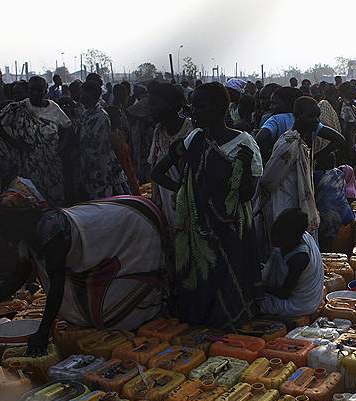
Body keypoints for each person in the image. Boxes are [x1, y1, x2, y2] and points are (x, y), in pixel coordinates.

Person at [0, 185, 167, 355]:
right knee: (96, 310)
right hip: (111, 229)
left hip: (131, 227)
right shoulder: (26, 236)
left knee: (118, 308)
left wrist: (42, 332)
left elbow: (57, 285)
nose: (2, 234)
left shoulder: (51, 230)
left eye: (3, 227)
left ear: (17, 220)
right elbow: (17, 278)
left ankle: (146, 313)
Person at [151, 82, 263, 328]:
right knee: (200, 283)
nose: (194, 112)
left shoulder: (244, 143)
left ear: (221, 109)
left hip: (232, 229)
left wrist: (242, 171)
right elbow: (157, 172)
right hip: (199, 230)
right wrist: (183, 191)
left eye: (200, 106)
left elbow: (247, 194)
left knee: (229, 284)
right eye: (193, 106)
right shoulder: (194, 138)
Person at [256, 97, 344, 257]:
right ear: (297, 116)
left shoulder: (302, 143)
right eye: (311, 116)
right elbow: (269, 179)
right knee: (288, 250)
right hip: (285, 203)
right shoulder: (288, 143)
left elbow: (339, 139)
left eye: (318, 116)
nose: (316, 121)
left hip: (300, 201)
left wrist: (315, 157)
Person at [0, 76, 70, 206]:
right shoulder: (17, 108)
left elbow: (67, 127)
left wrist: (62, 146)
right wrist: (16, 143)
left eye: (39, 90)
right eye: (32, 90)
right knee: (32, 197)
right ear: (28, 91)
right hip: (28, 164)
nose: (35, 93)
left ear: (45, 91)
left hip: (51, 163)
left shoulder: (53, 107)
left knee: (55, 197)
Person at [261, 208, 324, 317]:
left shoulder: (299, 258)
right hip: (294, 295)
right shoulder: (300, 236)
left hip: (299, 304)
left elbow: (284, 293)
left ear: (292, 237)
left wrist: (258, 287)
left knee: (254, 302)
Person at [147, 82, 192, 228]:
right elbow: (154, 167)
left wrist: (181, 192)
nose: (150, 110)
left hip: (188, 206)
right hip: (165, 204)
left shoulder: (190, 131)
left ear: (170, 105)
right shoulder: (159, 131)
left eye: (154, 105)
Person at [77, 81, 129, 200]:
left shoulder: (100, 116)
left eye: (84, 94)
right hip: (89, 169)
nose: (81, 97)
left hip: (100, 170)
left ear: (93, 95)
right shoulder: (87, 113)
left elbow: (97, 147)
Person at [313, 154, 355, 252]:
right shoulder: (339, 174)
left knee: (326, 248)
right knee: (341, 249)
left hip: (325, 216)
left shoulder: (316, 176)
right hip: (344, 215)